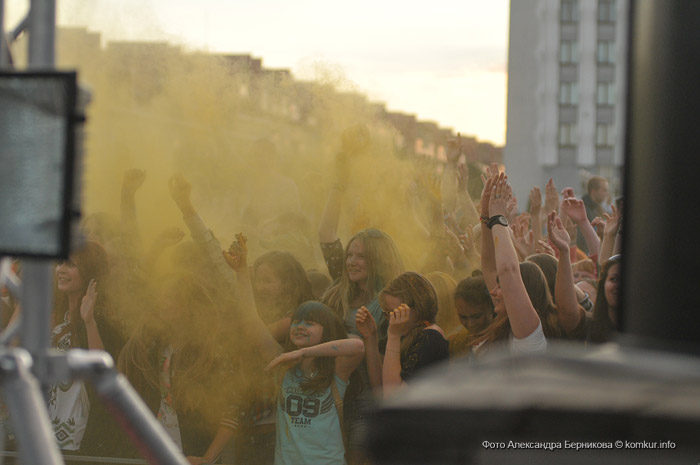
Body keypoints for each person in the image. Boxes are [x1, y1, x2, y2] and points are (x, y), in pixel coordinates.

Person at [477, 172, 560, 355]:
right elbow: (490, 267)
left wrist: (498, 217)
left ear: (525, 293)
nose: (493, 291)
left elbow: (508, 271)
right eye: (499, 285)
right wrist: (485, 215)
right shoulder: (506, 324)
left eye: (501, 286)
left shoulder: (531, 336)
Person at [49, 241, 117, 451]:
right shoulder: (58, 315)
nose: (61, 269)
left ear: (90, 271)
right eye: (60, 262)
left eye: (70, 264)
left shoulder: (103, 319)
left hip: (83, 434)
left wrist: (89, 322)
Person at [362, 272, 449, 397]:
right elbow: (379, 388)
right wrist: (370, 337)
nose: (391, 320)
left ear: (419, 307)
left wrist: (393, 336)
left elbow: (393, 396)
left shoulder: (431, 337)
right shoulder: (403, 334)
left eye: (397, 313)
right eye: (387, 313)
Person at [449, 276, 495, 357]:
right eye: (463, 317)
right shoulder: (455, 344)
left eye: (476, 316)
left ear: (492, 308)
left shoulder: (506, 341)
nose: (470, 324)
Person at [578, 176, 610, 253]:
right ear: (593, 191)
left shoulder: (598, 208)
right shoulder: (582, 209)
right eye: (604, 190)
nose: (607, 194)